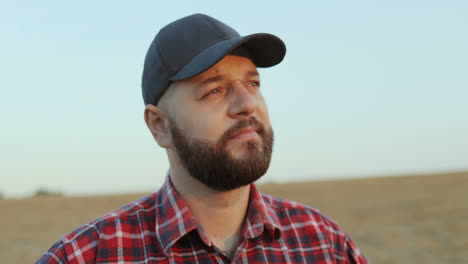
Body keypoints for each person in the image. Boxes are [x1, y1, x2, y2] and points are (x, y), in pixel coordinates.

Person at [37, 13, 368, 263]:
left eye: (253, 84)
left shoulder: (324, 243)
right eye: (214, 90)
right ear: (159, 126)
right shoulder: (87, 255)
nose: (248, 104)